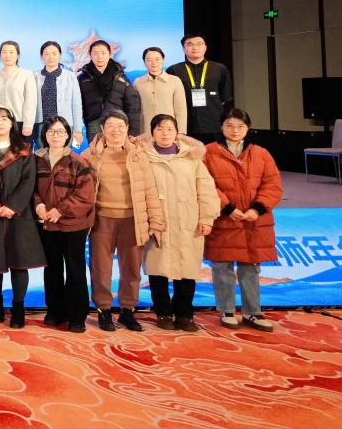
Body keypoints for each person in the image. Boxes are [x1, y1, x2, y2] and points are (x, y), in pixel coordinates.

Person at [81, 110, 165, 332]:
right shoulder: (90, 155)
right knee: (100, 268)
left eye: (120, 126)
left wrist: (156, 223)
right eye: (110, 125)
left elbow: (150, 190)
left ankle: (128, 311)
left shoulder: (139, 155)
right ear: (102, 129)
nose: (115, 130)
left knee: (131, 269)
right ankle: (104, 310)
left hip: (133, 220)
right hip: (101, 220)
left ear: (127, 129)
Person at [203, 107, 284, 332]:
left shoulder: (261, 153)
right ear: (221, 127)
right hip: (224, 218)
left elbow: (273, 185)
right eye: (229, 125)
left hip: (253, 220)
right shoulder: (208, 152)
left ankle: (252, 312)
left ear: (248, 128)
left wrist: (257, 209)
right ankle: (226, 310)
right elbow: (205, 184)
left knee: (251, 267)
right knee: (222, 266)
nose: (235, 130)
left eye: (240, 126)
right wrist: (227, 207)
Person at [142, 114, 220, 332]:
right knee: (157, 270)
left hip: (188, 221)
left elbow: (206, 189)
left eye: (169, 128)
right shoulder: (144, 157)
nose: (164, 133)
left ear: (177, 132)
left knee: (187, 269)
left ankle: (185, 314)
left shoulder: (191, 157)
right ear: (152, 133)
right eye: (159, 129)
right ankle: (163, 313)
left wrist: (207, 217)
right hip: (157, 222)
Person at [0, 103, 45, 328]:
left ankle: (18, 308)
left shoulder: (24, 150)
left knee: (19, 263)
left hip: (19, 214)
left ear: (12, 123)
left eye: (4, 118)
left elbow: (28, 182)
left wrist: (12, 206)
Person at [34, 116, 96, 333]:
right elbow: (31, 189)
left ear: (68, 135)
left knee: (75, 270)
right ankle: (55, 311)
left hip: (73, 225)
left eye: (60, 131)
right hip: (47, 224)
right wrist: (39, 206)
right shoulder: (36, 160)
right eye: (51, 131)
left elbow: (86, 196)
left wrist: (60, 210)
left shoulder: (79, 162)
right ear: (44, 135)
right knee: (52, 269)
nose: (55, 135)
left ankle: (77, 316)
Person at [167, 34, 234, 145]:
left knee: (213, 155)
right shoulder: (174, 70)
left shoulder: (219, 69)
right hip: (185, 127)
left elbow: (225, 97)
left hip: (213, 125)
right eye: (190, 44)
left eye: (199, 44)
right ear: (183, 48)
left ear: (205, 47)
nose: (195, 48)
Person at [78, 40, 141, 142]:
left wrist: (133, 132)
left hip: (118, 122)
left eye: (103, 53)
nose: (99, 57)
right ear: (90, 55)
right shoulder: (82, 78)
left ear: (110, 54)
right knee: (95, 151)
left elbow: (133, 104)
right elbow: (77, 105)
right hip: (94, 124)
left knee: (118, 151)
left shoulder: (120, 77)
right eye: (95, 53)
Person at [36, 41, 83, 149]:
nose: (51, 57)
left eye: (54, 53)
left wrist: (77, 130)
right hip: (41, 126)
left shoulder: (70, 76)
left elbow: (76, 105)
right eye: (47, 54)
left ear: (60, 55)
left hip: (64, 125)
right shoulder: (34, 76)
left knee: (64, 156)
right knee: (42, 156)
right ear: (42, 57)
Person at [0, 41, 37, 140]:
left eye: (11, 52)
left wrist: (28, 124)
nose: (7, 55)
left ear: (18, 55)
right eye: (4, 52)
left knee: (20, 150)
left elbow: (30, 101)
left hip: (19, 122)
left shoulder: (27, 74)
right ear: (0, 55)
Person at [134, 47, 188, 136]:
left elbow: (181, 109)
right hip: (145, 130)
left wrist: (181, 132)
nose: (153, 63)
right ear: (144, 62)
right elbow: (134, 109)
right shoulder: (138, 82)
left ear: (163, 60)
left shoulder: (175, 80)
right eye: (149, 60)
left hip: (169, 130)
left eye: (157, 59)